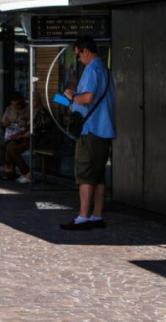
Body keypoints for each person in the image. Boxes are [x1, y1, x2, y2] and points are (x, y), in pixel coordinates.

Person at [61, 36, 115, 230]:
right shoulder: (105, 70)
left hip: (91, 128)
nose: (78, 59)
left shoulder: (92, 70)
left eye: (78, 54)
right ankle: (96, 215)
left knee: (84, 173)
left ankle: (83, 216)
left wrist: (71, 95)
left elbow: (87, 98)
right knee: (98, 175)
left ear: (85, 51)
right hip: (104, 127)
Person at [0, 92, 31, 183]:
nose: (17, 107)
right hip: (11, 135)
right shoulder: (9, 109)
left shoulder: (29, 109)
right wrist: (5, 124)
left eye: (18, 105)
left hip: (24, 137)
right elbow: (2, 123)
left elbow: (30, 127)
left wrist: (20, 133)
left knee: (10, 148)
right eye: (14, 105)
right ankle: (9, 170)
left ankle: (24, 172)